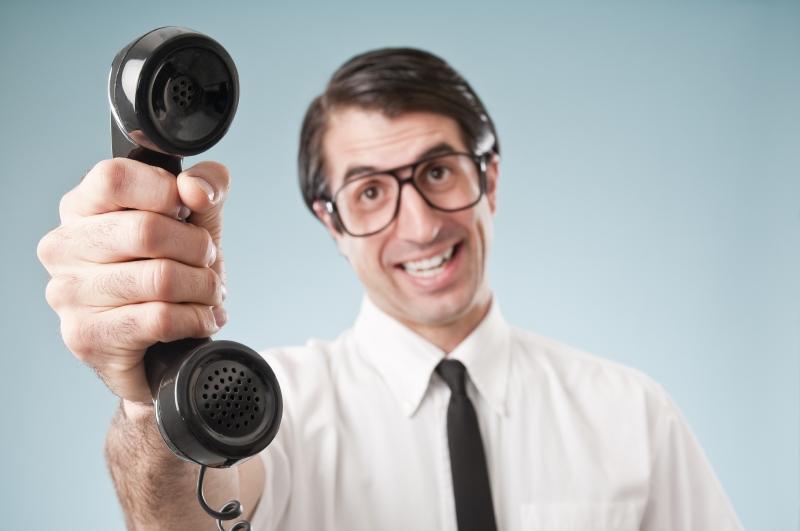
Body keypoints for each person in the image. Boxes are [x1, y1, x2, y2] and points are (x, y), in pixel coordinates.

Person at [37, 48, 743, 530]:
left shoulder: (633, 413)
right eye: (371, 190)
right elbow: (187, 518)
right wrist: (150, 399)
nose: (420, 223)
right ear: (333, 222)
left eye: (438, 172)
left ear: (488, 180)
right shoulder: (272, 406)